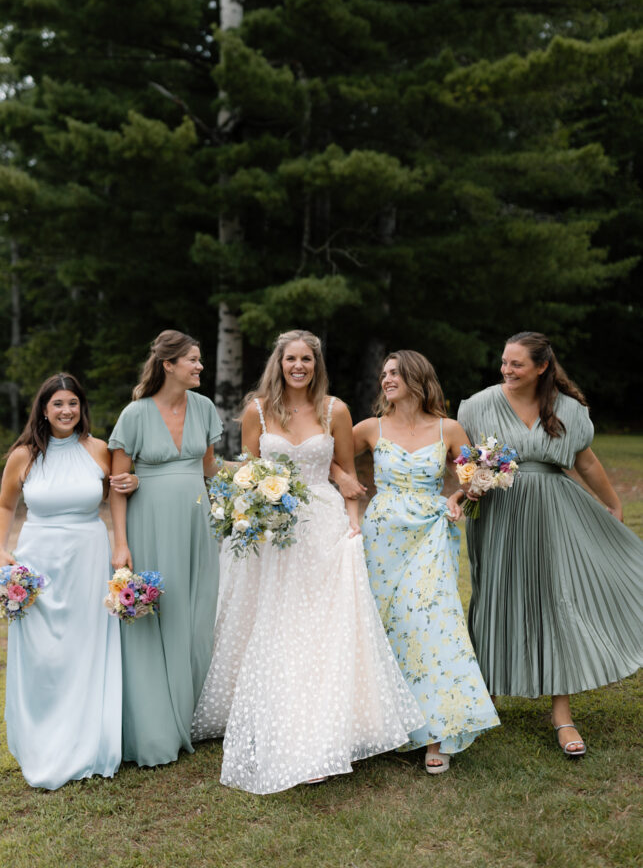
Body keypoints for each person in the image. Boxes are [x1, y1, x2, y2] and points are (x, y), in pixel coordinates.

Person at [192, 329, 425, 793]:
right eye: (291, 359)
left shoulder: (334, 409)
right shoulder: (256, 409)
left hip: (323, 523)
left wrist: (354, 522)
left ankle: (325, 725)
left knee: (318, 627)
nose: (298, 366)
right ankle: (274, 718)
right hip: (272, 530)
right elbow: (249, 465)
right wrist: (243, 501)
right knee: (275, 625)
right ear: (279, 363)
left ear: (317, 365)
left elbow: (347, 469)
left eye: (307, 360)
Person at [455, 331, 643, 756]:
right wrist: (467, 485)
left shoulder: (570, 410)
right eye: (504, 362)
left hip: (556, 512)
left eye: (516, 363)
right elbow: (458, 460)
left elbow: (586, 460)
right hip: (499, 514)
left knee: (557, 601)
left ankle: (562, 715)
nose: (507, 370)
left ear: (542, 366)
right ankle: (483, 700)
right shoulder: (477, 405)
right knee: (493, 597)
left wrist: (612, 503)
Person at [336, 351, 499, 775]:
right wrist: (346, 482)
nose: (385, 378)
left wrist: (460, 495)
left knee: (433, 623)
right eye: (383, 373)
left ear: (416, 377)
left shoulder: (448, 428)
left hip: (431, 531)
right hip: (382, 535)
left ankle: (438, 731)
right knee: (386, 624)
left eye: (394, 373)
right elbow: (329, 459)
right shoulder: (369, 428)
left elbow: (478, 472)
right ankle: (385, 725)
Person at [0, 372, 123, 789]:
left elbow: (119, 494)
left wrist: (132, 482)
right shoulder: (24, 456)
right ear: (44, 410)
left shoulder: (100, 450)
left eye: (73, 403)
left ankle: (87, 743)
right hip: (39, 561)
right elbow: (3, 507)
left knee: (85, 649)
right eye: (58, 404)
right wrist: (1, 551)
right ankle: (43, 746)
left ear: (82, 408)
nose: (66, 411)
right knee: (44, 655)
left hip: (88, 556)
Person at [109, 329, 223, 767]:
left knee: (197, 617)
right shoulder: (135, 415)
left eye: (200, 360)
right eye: (192, 360)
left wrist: (265, 478)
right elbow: (118, 486)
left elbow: (212, 467)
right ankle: (155, 728)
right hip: (149, 526)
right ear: (169, 365)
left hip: (198, 524)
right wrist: (121, 544)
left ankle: (191, 716)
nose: (199, 367)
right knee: (157, 618)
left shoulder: (205, 408)